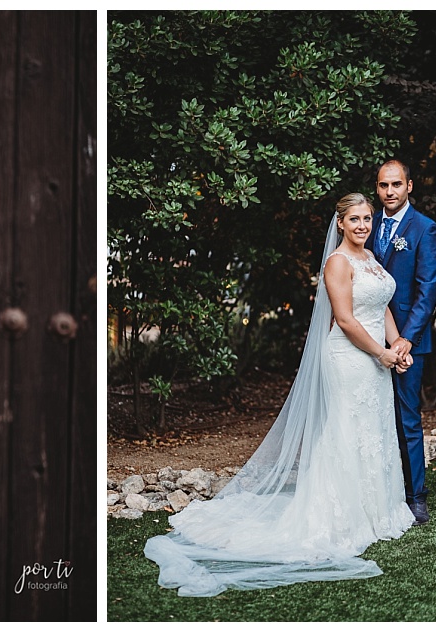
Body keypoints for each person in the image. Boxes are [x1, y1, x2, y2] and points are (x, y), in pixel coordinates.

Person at [143, 193, 416, 597]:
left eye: (367, 219)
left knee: (373, 429)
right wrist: (383, 355)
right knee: (346, 429)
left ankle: (378, 511)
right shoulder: (337, 263)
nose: (362, 225)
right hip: (350, 357)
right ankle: (340, 518)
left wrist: (399, 345)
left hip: (376, 358)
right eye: (355, 219)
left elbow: (383, 307)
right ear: (340, 223)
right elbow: (345, 319)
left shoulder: (372, 259)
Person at [370, 159, 436, 525]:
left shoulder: (425, 230)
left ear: (409, 186)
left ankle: (416, 497)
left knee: (407, 421)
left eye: (396, 184)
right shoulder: (367, 225)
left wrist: (404, 342)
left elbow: (427, 292)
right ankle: (377, 492)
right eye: (384, 186)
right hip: (366, 339)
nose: (390, 192)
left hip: (408, 345)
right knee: (370, 418)